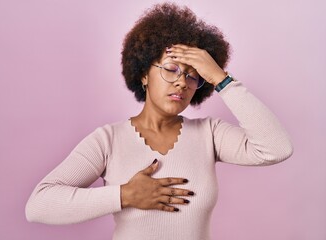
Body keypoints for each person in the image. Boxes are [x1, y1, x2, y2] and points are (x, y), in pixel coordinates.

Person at [25, 3, 293, 240]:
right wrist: (125, 195)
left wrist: (221, 79)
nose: (182, 81)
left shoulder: (210, 134)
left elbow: (276, 148)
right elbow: (39, 205)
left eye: (193, 75)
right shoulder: (108, 140)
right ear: (144, 74)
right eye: (171, 69)